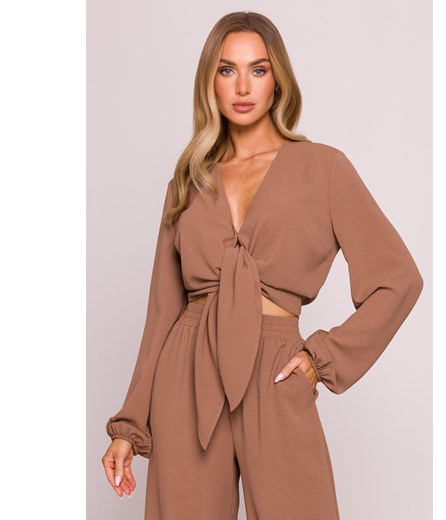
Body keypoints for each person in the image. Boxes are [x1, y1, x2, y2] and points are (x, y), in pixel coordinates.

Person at [101, 10, 424, 520]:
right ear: (210, 81)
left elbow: (398, 279)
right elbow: (162, 314)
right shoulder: (188, 180)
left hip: (276, 368)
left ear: (278, 81)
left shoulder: (324, 168)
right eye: (227, 69)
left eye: (258, 69)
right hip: (187, 373)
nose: (242, 86)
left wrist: (321, 358)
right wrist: (129, 426)